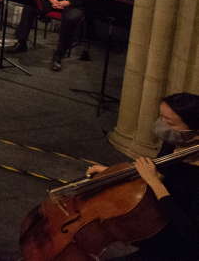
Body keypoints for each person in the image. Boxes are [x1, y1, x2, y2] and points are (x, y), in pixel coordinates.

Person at [82, 92, 199, 258]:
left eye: (169, 122)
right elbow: (161, 174)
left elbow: (190, 232)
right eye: (161, 117)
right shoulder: (175, 142)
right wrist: (116, 173)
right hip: (157, 223)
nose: (162, 125)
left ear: (194, 128)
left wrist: (155, 183)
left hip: (179, 243)